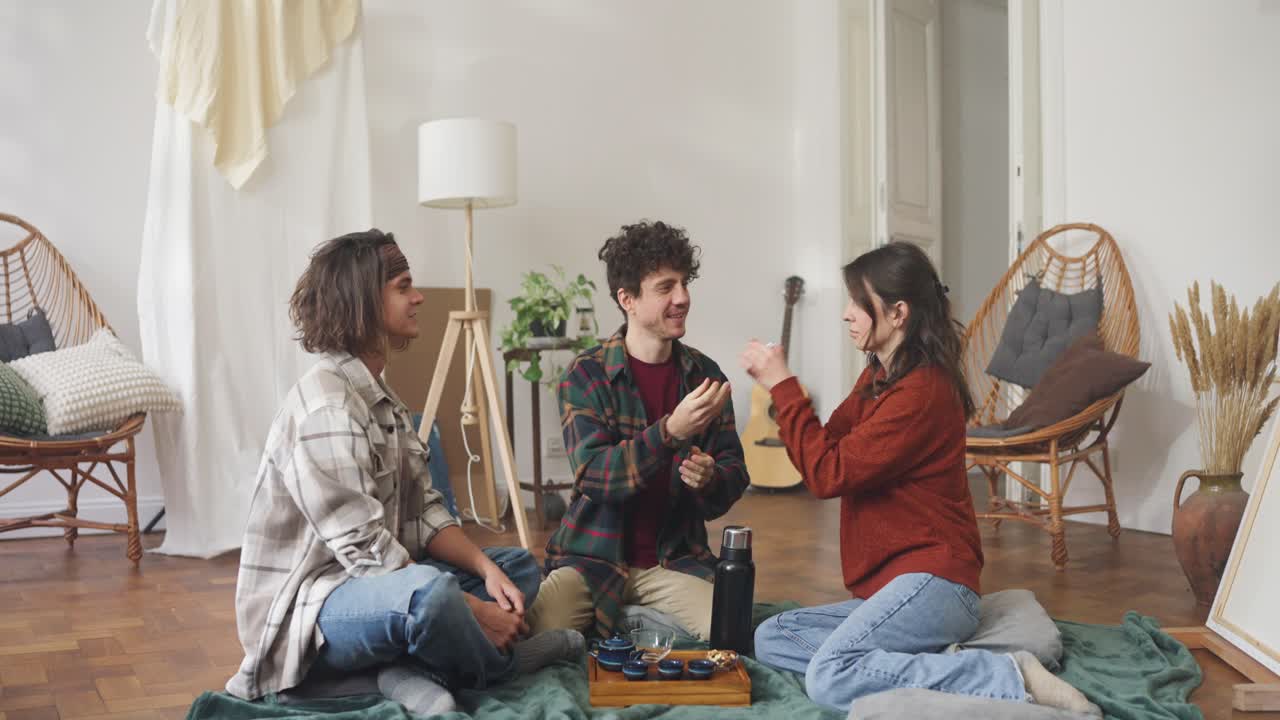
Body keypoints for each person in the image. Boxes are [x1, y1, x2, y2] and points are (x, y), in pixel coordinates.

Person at [226, 229, 581, 716]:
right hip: (315, 608)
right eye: (403, 287)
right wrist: (475, 611)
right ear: (363, 302)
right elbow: (367, 552)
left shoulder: (379, 395)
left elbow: (424, 512)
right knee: (434, 599)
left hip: (376, 584)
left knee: (515, 568)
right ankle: (501, 667)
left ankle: (397, 673)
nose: (418, 298)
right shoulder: (327, 407)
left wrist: (486, 570)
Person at [740, 241, 1096, 714]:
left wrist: (784, 386)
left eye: (857, 302)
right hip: (889, 588)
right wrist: (782, 393)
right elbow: (821, 452)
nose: (846, 314)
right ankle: (930, 665)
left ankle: (1008, 675)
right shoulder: (878, 379)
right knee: (772, 636)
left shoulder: (923, 391)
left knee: (827, 677)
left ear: (898, 313)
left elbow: (827, 475)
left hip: (936, 582)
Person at [526, 220, 749, 640]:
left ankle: (629, 626)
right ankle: (636, 627)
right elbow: (595, 476)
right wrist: (670, 432)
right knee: (538, 636)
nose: (682, 297)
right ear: (627, 299)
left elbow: (734, 472)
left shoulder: (705, 376)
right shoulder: (586, 375)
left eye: (684, 284)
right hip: (590, 561)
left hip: (674, 563)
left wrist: (710, 478)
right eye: (666, 287)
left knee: (730, 632)